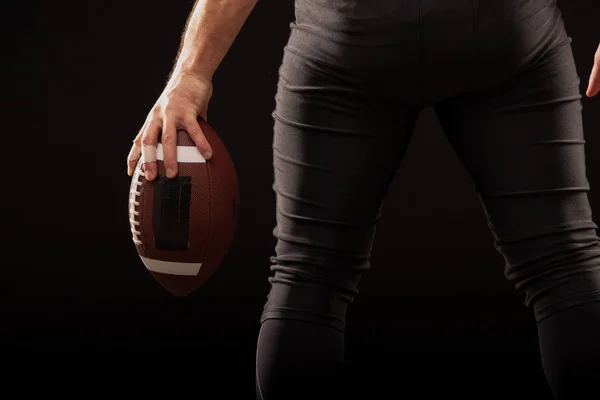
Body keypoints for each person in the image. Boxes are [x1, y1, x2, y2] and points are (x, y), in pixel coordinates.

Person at [126, 0, 600, 398]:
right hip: (500, 27)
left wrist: (193, 72)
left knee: (309, 278)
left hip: (352, 33)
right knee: (564, 267)